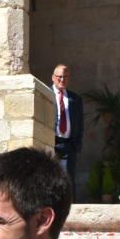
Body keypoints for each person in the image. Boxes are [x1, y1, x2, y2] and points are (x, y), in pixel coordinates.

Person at [52, 64, 84, 198]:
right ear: (53, 78)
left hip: (69, 145)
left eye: (65, 77)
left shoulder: (75, 99)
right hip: (52, 143)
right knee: (51, 180)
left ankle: (70, 211)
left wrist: (76, 145)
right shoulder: (45, 94)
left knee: (69, 181)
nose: (62, 80)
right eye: (59, 77)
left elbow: (80, 124)